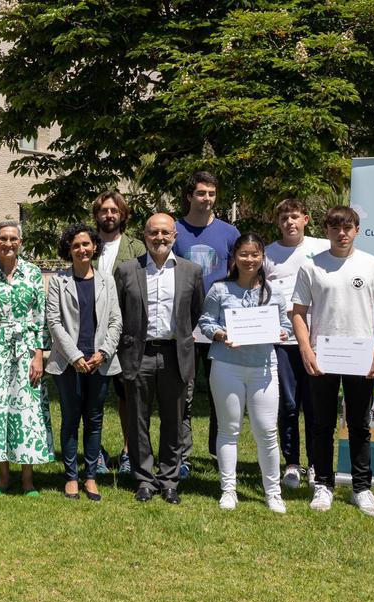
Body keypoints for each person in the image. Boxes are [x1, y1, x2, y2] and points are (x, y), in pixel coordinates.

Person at [292, 206, 374, 516]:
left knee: (359, 425)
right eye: (336, 227)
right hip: (322, 356)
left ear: (357, 230)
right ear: (326, 230)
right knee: (321, 424)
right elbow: (298, 312)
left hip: (361, 359)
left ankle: (362, 489)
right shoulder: (312, 267)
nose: (342, 233)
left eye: (348, 227)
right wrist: (305, 349)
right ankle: (323, 484)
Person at [114, 213, 204, 504]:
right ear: (144, 235)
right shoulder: (128, 271)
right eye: (154, 233)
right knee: (138, 418)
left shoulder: (191, 271)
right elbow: (119, 312)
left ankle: (169, 480)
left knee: (173, 420)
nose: (159, 238)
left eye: (165, 233)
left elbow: (195, 313)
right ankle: (143, 479)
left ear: (174, 236)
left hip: (174, 353)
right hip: (138, 354)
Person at [198, 234, 291, 513]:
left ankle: (273, 492)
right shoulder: (219, 290)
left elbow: (283, 323)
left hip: (264, 367)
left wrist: (282, 332)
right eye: (244, 254)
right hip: (227, 366)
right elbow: (205, 322)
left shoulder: (273, 292)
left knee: (267, 431)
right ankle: (228, 490)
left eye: (255, 254)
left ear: (262, 257)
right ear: (234, 257)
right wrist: (219, 333)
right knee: (229, 430)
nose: (249, 260)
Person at [0, 220, 53, 495]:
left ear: (20, 242)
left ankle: (27, 478)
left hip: (26, 347)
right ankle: (3, 476)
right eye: (3, 238)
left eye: (13, 238)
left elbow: (40, 317)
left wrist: (39, 355)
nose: (8, 243)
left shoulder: (33, 273)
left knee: (27, 411)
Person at [46, 223, 122, 501]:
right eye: (76, 245)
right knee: (70, 417)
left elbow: (116, 321)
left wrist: (103, 352)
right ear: (69, 249)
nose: (82, 249)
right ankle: (71, 477)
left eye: (87, 244)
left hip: (99, 361)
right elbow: (53, 321)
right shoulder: (58, 281)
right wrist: (75, 356)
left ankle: (90, 476)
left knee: (94, 419)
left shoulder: (107, 280)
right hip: (68, 364)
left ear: (94, 247)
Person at [173, 171, 240, 469]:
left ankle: (217, 452)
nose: (207, 199)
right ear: (189, 196)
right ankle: (181, 455)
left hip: (220, 325)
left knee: (220, 392)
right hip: (184, 324)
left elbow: (239, 275)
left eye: (212, 193)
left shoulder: (229, 233)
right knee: (182, 391)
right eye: (201, 193)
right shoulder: (174, 230)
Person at [264, 199, 330, 489]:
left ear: (306, 219)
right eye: (284, 218)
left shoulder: (322, 248)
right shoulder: (267, 254)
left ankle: (316, 464)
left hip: (318, 339)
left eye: (295, 217)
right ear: (277, 223)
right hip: (283, 341)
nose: (290, 222)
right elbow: (259, 296)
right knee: (288, 405)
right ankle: (292, 464)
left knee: (316, 406)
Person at [93, 189, 147, 476]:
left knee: (128, 395)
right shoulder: (86, 245)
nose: (109, 215)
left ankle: (129, 451)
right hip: (91, 333)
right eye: (104, 211)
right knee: (94, 396)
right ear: (97, 215)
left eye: (114, 210)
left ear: (122, 215)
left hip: (126, 334)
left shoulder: (136, 248)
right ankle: (96, 450)